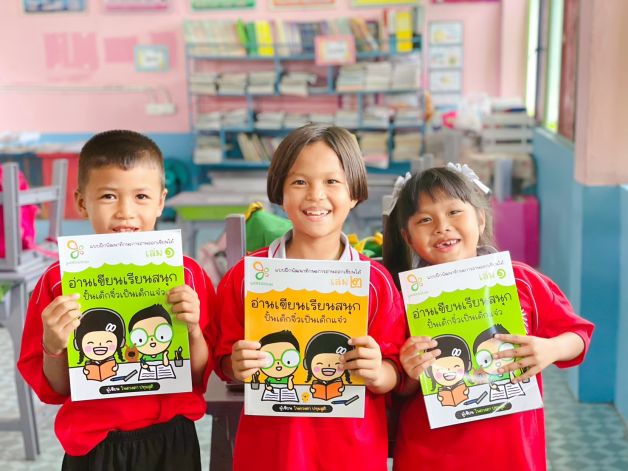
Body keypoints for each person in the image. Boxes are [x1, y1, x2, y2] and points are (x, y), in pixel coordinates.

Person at [17, 130, 216, 471]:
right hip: (94, 445)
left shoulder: (187, 274)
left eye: (141, 196)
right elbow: (56, 389)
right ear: (82, 203)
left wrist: (194, 331)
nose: (125, 212)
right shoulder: (57, 281)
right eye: (109, 196)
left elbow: (202, 375)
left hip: (172, 438)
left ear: (161, 201)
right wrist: (53, 345)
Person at [213, 124, 407, 471]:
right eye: (300, 182)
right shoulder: (246, 276)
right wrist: (236, 366)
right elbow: (225, 361)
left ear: (354, 193)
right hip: (270, 453)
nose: (316, 195)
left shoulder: (376, 283)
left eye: (332, 181)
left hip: (352, 455)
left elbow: (393, 370)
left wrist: (378, 372)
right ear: (280, 192)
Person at [382, 165, 595, 471]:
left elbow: (578, 336)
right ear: (407, 236)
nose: (442, 227)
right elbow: (397, 386)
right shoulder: (402, 299)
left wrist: (551, 349)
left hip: (512, 452)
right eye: (425, 219)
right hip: (430, 455)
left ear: (480, 219)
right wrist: (410, 371)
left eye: (454, 212)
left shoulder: (520, 281)